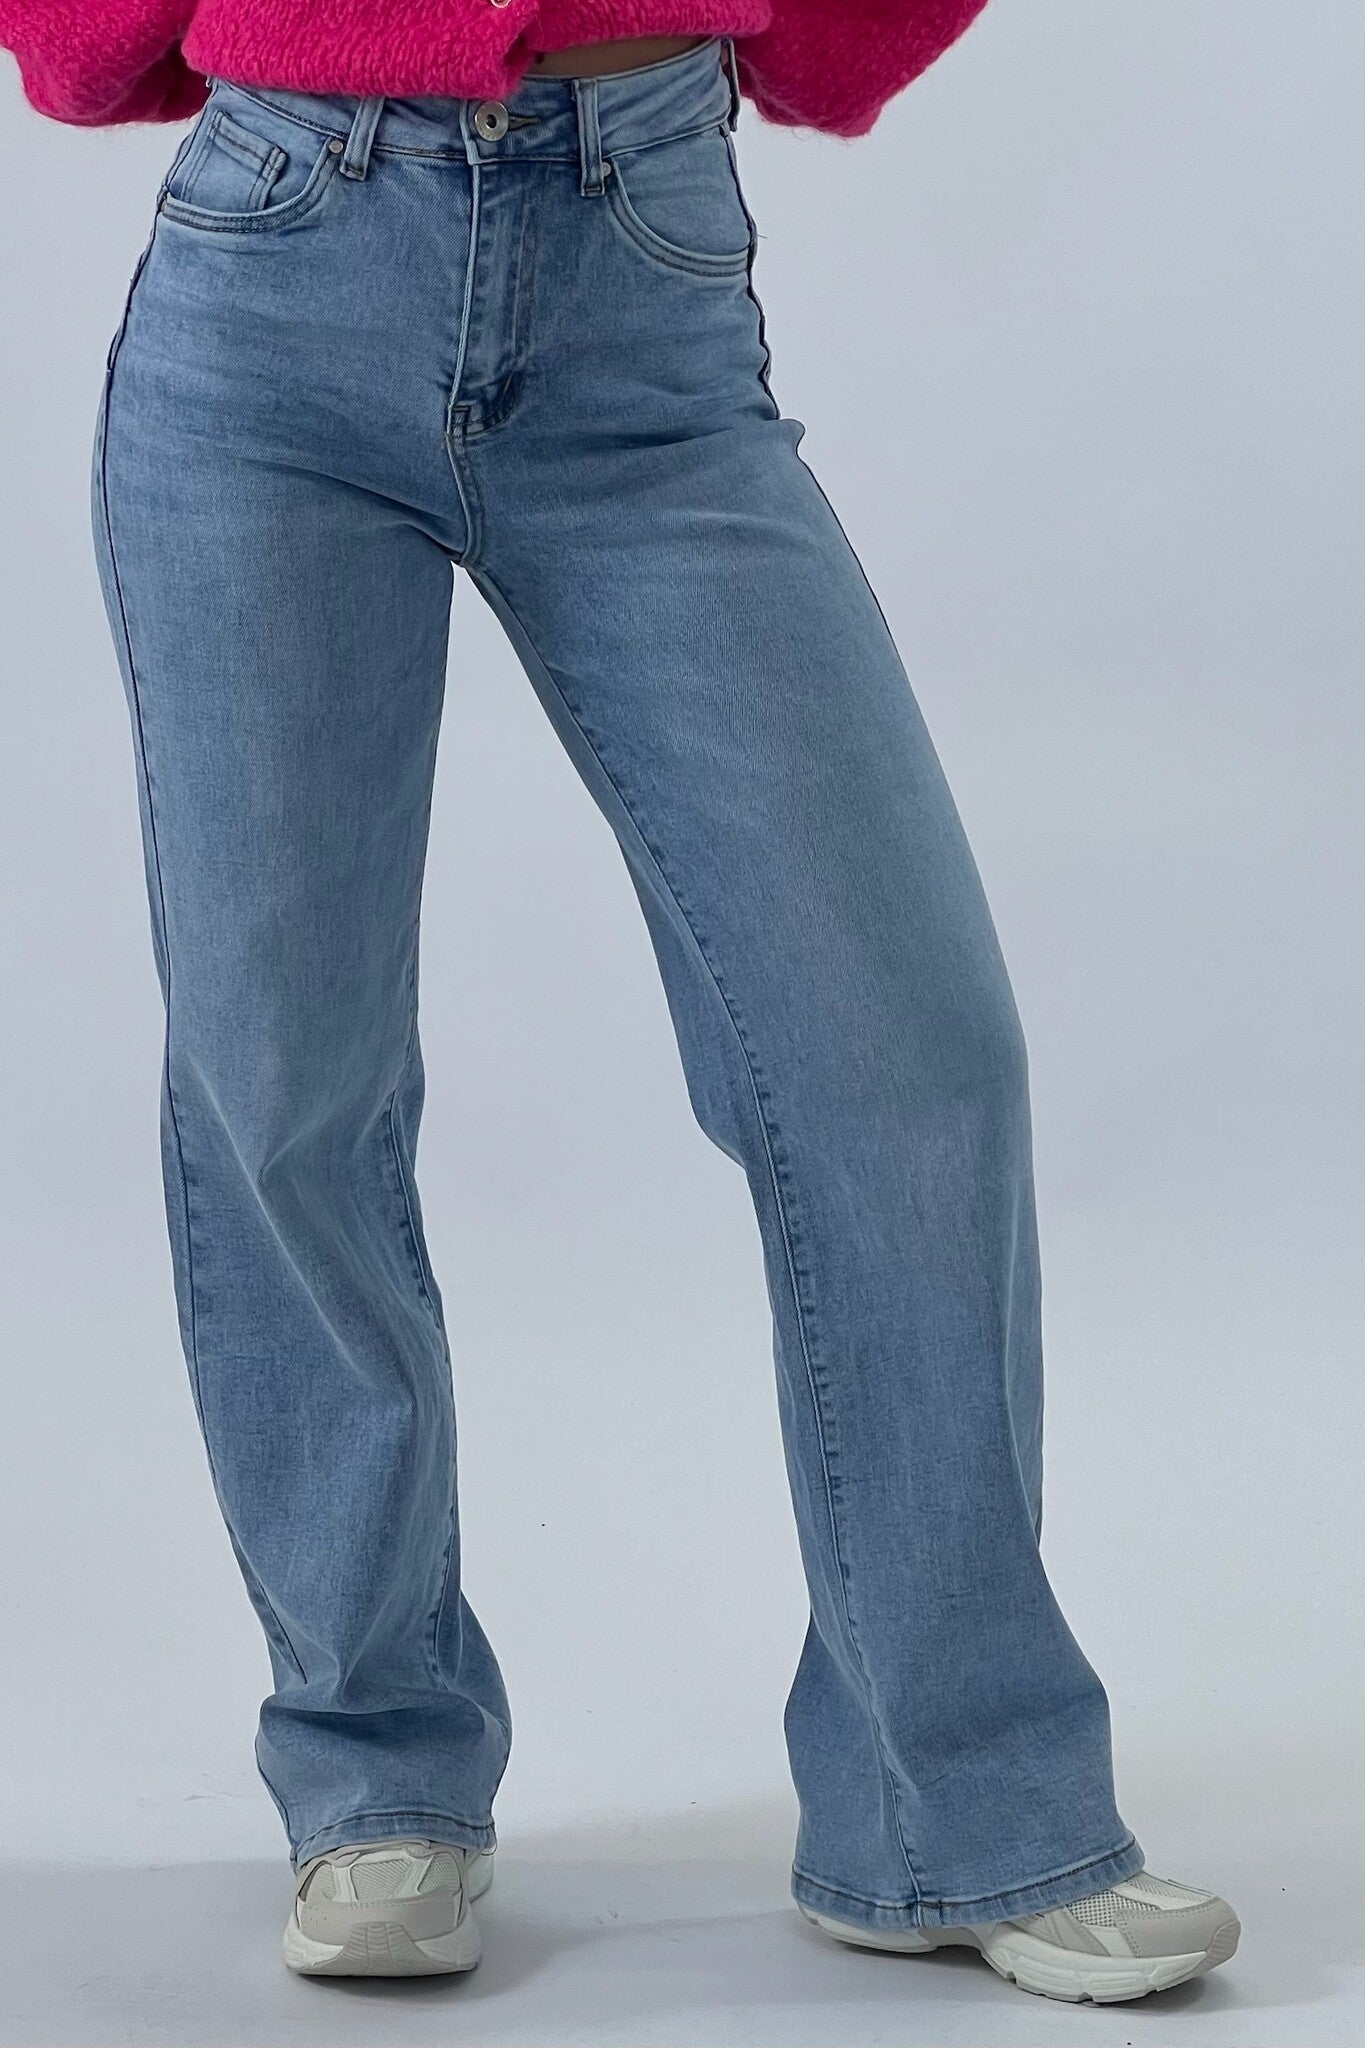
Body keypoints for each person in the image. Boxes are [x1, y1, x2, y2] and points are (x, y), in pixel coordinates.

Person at [0, 3, 1239, 2005]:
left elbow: (834, 55)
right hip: (271, 279)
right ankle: (373, 1774)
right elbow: (71, 52)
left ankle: (958, 1808)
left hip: (640, 272)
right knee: (283, 1074)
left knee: (903, 1055)